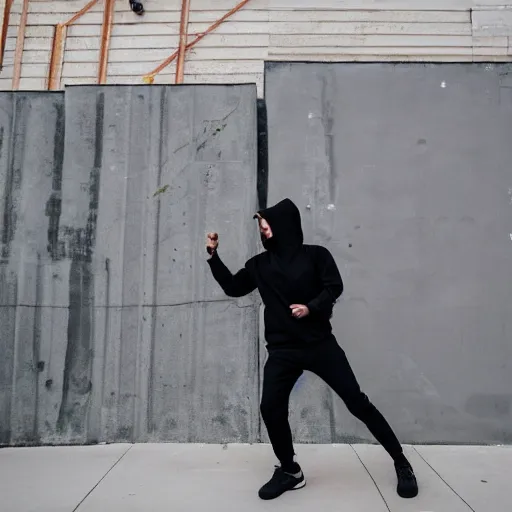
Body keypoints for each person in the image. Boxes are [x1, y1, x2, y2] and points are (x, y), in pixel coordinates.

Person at [206, 198, 418, 501]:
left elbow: (334, 286)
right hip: (282, 351)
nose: (263, 231)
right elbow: (233, 287)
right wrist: (213, 256)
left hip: (320, 346)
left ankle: (401, 461)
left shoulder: (317, 256)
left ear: (284, 225)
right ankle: (290, 471)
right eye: (261, 227)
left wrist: (311, 308)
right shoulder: (259, 265)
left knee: (358, 403)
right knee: (270, 408)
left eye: (266, 225)